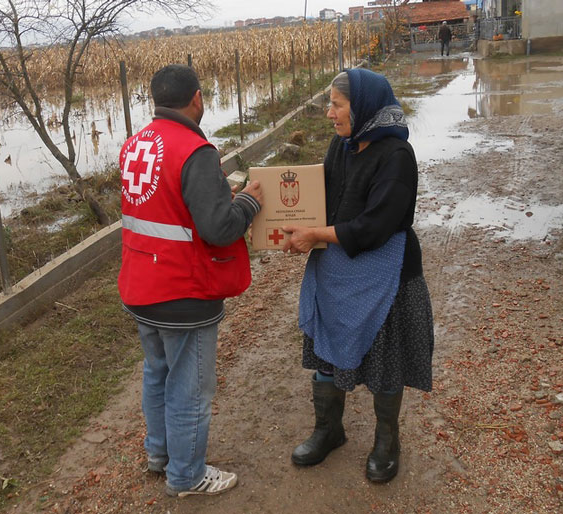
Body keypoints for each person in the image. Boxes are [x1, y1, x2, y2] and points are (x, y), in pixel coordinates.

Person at [280, 69, 434, 483]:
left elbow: (375, 227)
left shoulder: (397, 157)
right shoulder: (342, 145)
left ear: (362, 106)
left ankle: (387, 440)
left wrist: (315, 233)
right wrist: (289, 224)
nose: (329, 113)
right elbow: (321, 201)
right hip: (334, 268)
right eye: (329, 104)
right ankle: (329, 430)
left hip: (385, 275)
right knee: (327, 351)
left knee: (385, 362)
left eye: (336, 104)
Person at [118, 64, 263, 497]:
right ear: (197, 98)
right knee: (190, 388)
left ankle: (159, 454)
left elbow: (166, 209)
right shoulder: (194, 150)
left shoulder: (134, 144)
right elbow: (218, 228)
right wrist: (249, 204)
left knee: (157, 373)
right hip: (183, 291)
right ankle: (188, 475)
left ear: (155, 100)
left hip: (141, 284)